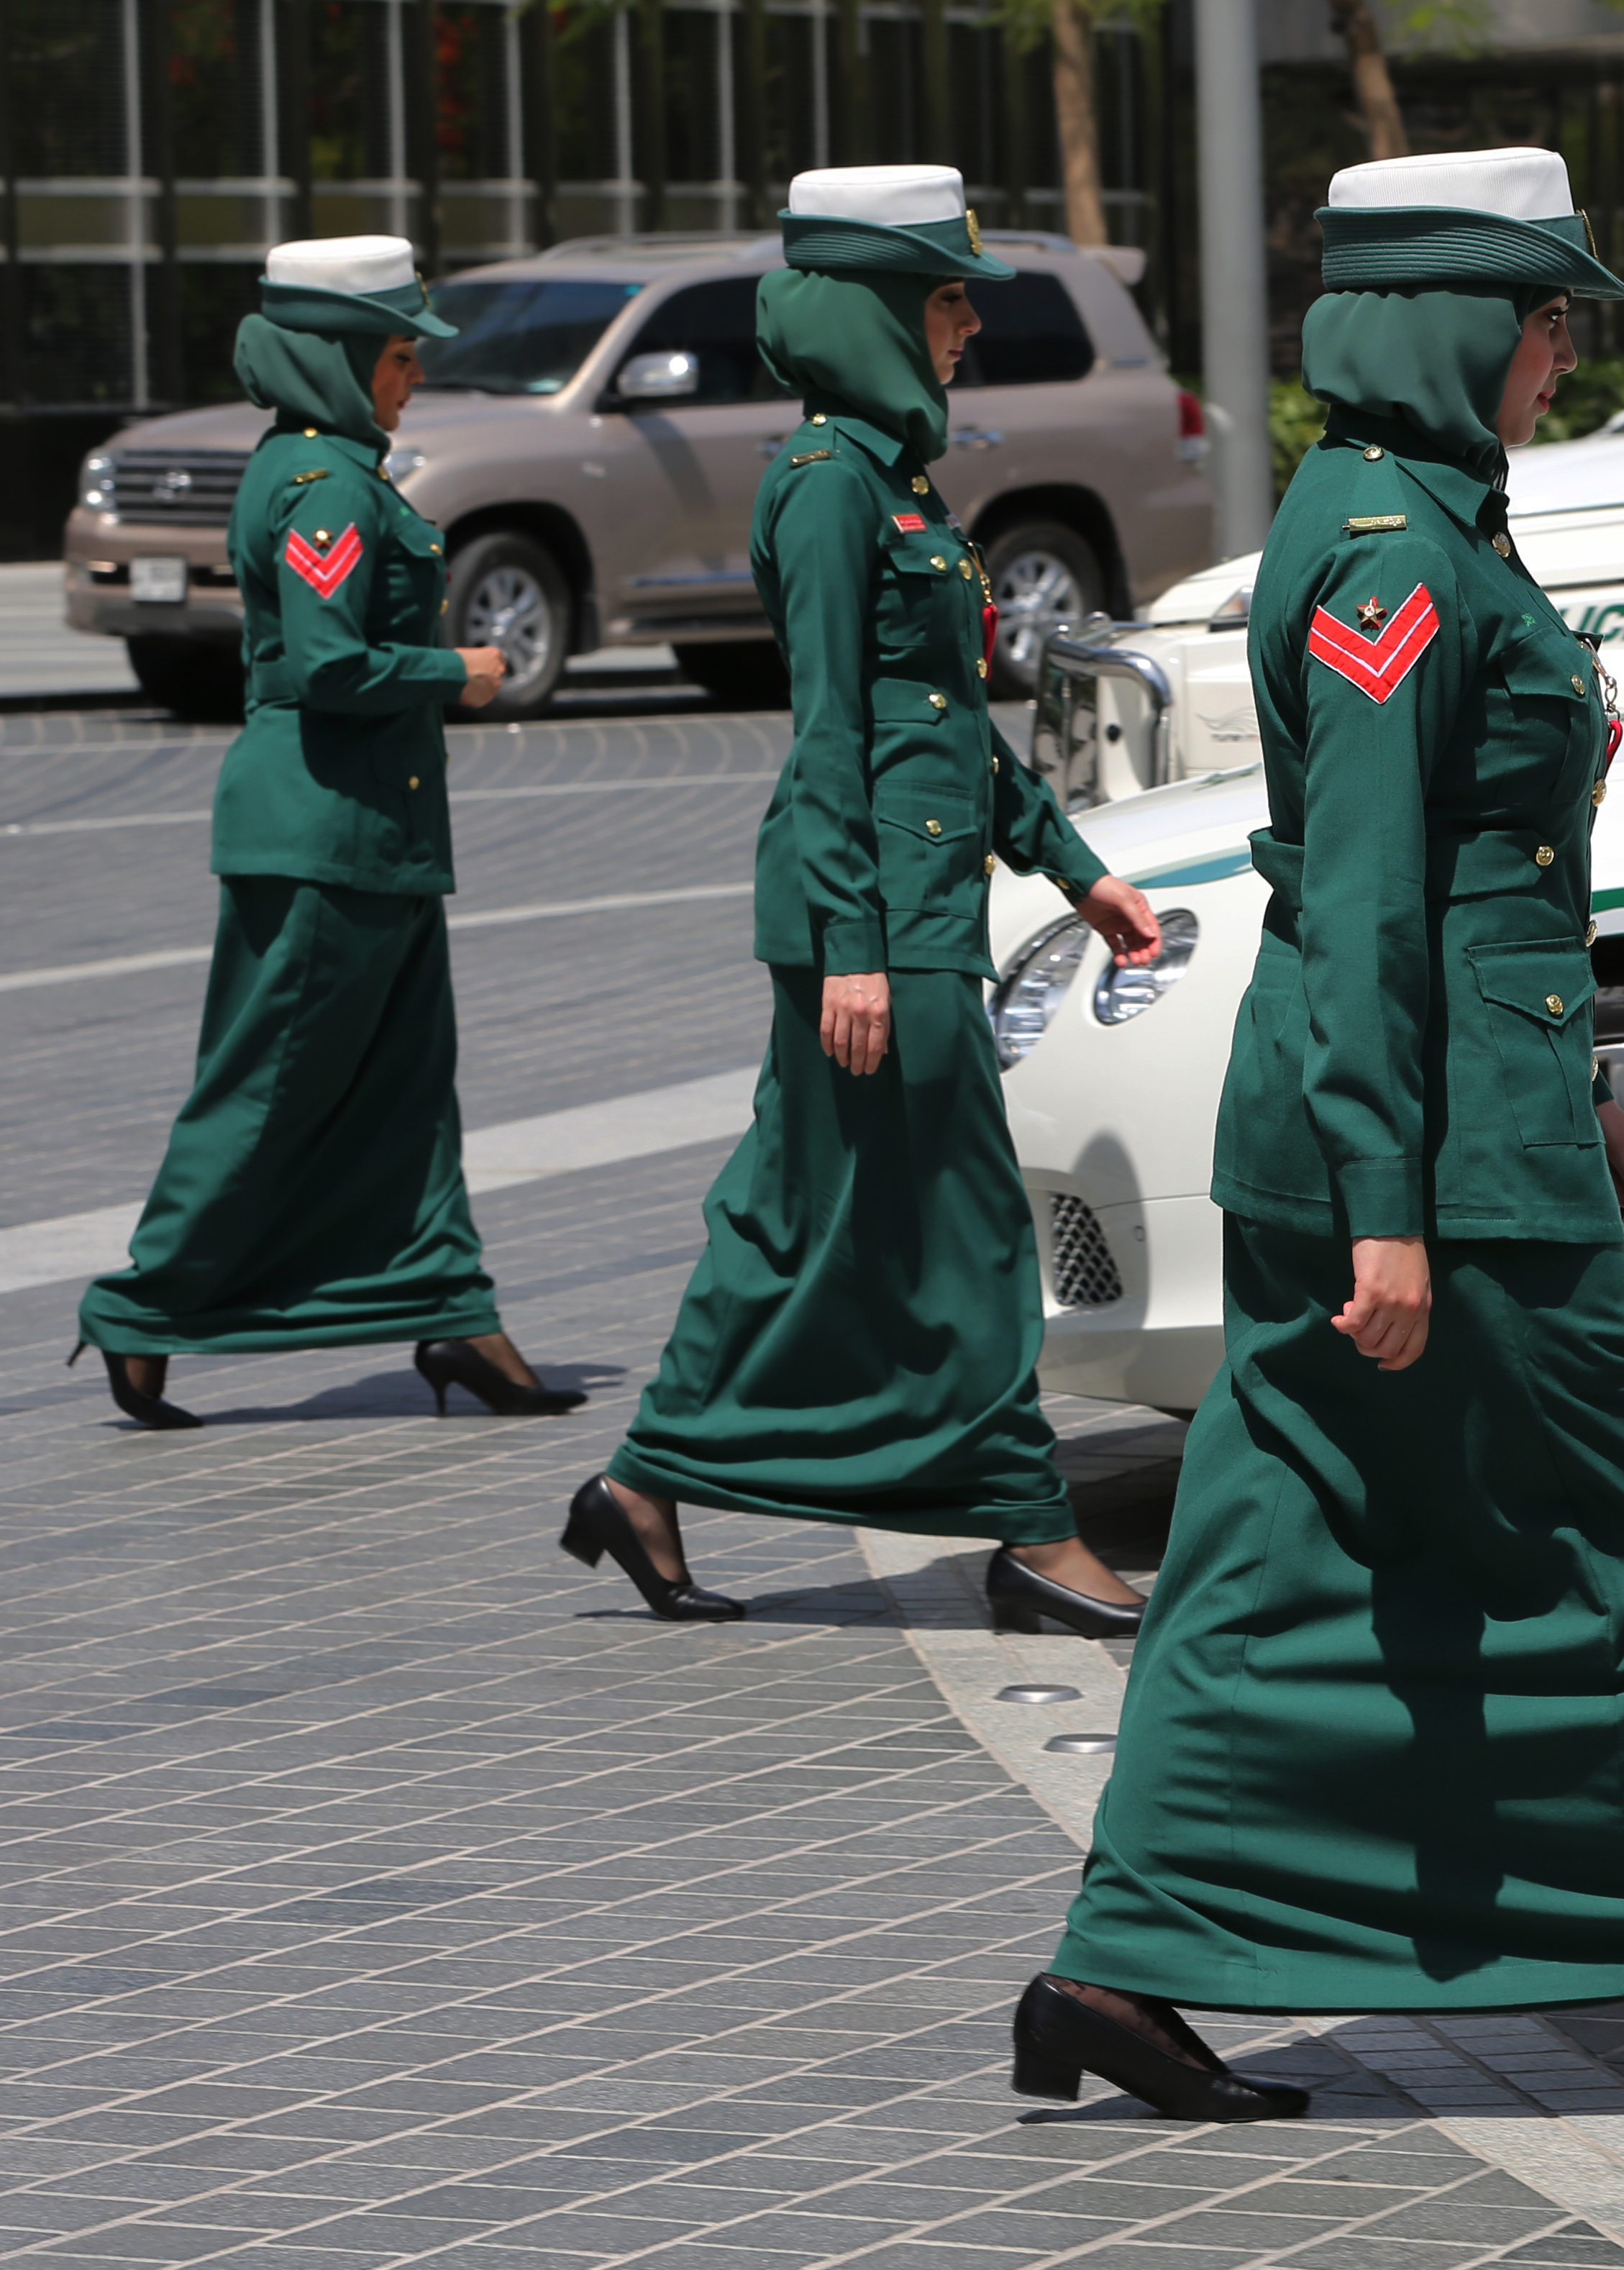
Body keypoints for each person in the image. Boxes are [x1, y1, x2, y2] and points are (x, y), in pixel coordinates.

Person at [1014, 150, 1624, 2123]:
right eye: (1550, 319)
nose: (1565, 357)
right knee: (1601, 1547)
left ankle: (1116, 1975)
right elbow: (1386, 891)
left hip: (1472, 1116)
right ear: (1460, 318)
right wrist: (1395, 1200)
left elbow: (1480, 885)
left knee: (1278, 1552)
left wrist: (1577, 1102)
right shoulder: (1396, 546)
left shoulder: (1411, 512)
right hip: (1430, 1159)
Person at [564, 168, 1164, 1630]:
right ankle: (1028, 1529)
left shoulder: (894, 478)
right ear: (880, 311)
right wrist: (855, 951)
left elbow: (942, 722)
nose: (968, 326)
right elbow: (832, 731)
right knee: (965, 1227)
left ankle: (646, 1482)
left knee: (792, 1219)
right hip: (877, 924)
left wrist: (1077, 872)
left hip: (908, 908)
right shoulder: (831, 485)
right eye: (948, 297)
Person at [74, 236, 572, 1432]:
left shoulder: (322, 465)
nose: (413, 381)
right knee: (269, 1088)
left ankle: (454, 1311)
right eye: (400, 358)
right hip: (322, 836)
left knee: (407, 1093)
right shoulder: (325, 485)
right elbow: (326, 661)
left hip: (372, 836)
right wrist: (456, 667)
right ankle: (142, 1313)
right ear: (341, 363)